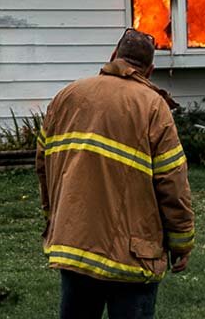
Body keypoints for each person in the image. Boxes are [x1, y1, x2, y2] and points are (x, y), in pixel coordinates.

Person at [36, 28, 195, 319]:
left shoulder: (67, 96)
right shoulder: (152, 106)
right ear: (150, 70)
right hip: (131, 258)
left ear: (112, 57)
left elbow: (43, 166)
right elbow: (172, 181)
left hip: (76, 246)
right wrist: (181, 241)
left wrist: (54, 218)